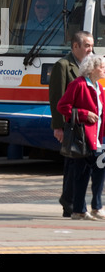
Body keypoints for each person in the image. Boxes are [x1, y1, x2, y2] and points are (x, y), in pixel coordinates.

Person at [49, 31, 94, 217]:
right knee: (71, 164)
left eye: (91, 45)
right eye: (86, 45)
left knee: (80, 165)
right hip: (71, 123)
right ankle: (69, 202)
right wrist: (58, 127)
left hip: (86, 125)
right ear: (75, 46)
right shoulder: (63, 66)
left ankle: (72, 201)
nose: (90, 49)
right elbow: (56, 98)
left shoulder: (89, 66)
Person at [57, 54, 105, 220]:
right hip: (82, 138)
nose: (104, 69)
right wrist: (84, 114)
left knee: (94, 170)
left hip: (97, 139)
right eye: (102, 66)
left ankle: (88, 208)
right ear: (92, 69)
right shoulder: (78, 84)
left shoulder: (98, 87)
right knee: (83, 172)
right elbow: (62, 106)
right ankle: (82, 209)